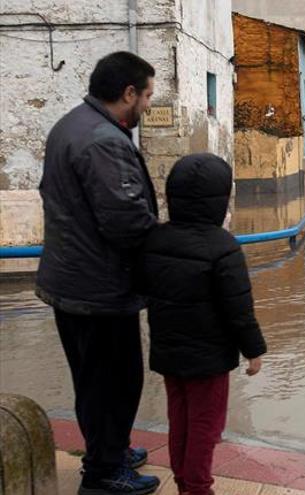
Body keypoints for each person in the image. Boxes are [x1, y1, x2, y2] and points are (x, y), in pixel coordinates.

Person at [36, 51, 160, 494]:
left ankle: (110, 449)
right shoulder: (104, 141)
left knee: (94, 379)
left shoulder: (70, 124)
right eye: (146, 95)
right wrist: (168, 247)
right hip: (99, 287)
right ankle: (105, 473)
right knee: (115, 382)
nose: (147, 104)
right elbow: (126, 221)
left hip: (73, 279)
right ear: (128, 93)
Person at [137, 154, 267, 495]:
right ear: (221, 200)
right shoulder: (224, 249)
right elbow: (239, 309)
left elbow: (145, 288)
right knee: (206, 427)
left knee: (179, 421)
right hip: (209, 362)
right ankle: (197, 487)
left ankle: (182, 479)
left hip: (168, 353)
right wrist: (254, 351)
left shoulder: (156, 239)